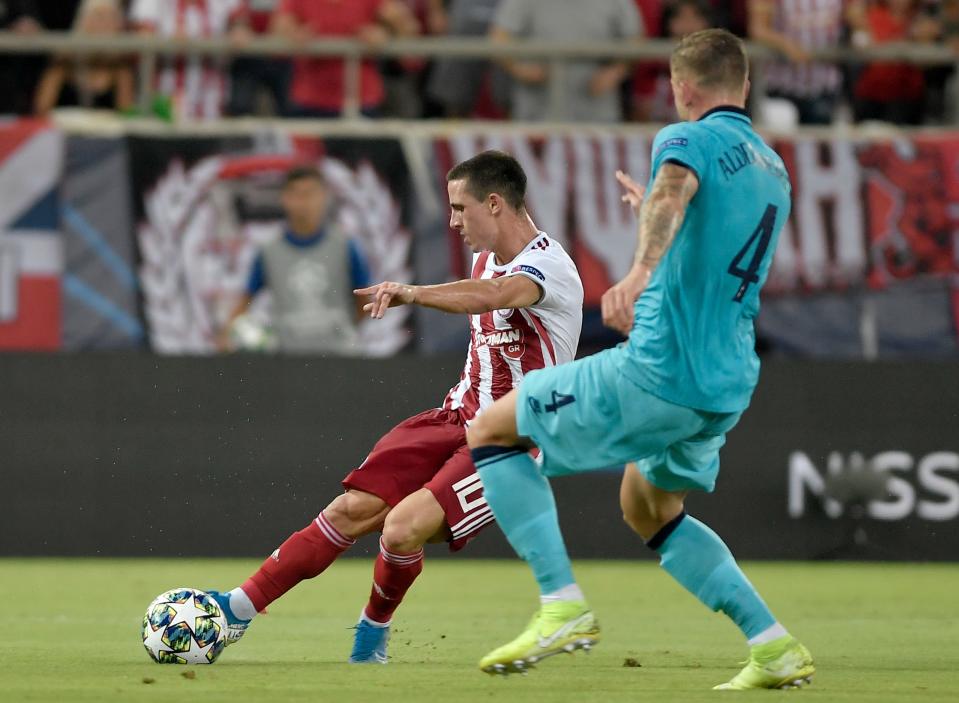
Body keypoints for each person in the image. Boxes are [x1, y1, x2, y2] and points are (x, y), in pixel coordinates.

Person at [466, 29, 814, 691]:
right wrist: (656, 226)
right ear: (743, 83)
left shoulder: (683, 140)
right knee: (646, 505)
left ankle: (559, 604)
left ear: (683, 87)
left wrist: (635, 269)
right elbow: (708, 237)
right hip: (725, 379)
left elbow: (671, 194)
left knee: (489, 428)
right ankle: (772, 645)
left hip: (660, 368)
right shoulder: (770, 164)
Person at [206, 150, 584, 664]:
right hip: (456, 416)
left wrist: (412, 293)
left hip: (513, 440)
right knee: (350, 509)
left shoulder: (549, 267)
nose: (452, 222)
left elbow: (494, 295)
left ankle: (370, 635)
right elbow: (486, 289)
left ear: (494, 203)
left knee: (402, 527)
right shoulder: (483, 259)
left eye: (459, 207)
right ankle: (236, 610)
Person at [219, 165, 372, 355]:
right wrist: (227, 334)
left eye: (310, 194)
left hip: (340, 358)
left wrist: (342, 330)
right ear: (285, 199)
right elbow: (245, 302)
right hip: (289, 361)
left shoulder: (345, 246)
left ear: (323, 197)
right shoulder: (269, 251)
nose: (304, 202)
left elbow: (365, 302)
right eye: (297, 195)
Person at [490, 0, 643, 122]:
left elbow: (636, 40)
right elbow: (499, 38)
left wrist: (615, 72)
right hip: (536, 116)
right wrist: (521, 69)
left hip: (598, 116)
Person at [272, 0, 419, 118]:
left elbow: (407, 26)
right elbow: (278, 31)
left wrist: (385, 33)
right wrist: (293, 35)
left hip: (361, 100)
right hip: (309, 100)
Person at [130, 0, 243, 121]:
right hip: (164, 103)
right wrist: (168, 42)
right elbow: (143, 35)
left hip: (211, 102)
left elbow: (240, 25)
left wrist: (238, 29)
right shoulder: (153, 4)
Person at [33, 0, 135, 116]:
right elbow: (41, 108)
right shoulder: (65, 60)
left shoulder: (120, 66)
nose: (103, 26)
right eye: (98, 17)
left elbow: (126, 113)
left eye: (110, 19)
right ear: (84, 21)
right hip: (63, 130)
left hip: (106, 132)